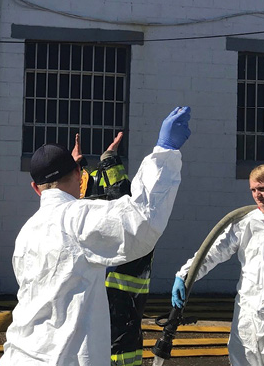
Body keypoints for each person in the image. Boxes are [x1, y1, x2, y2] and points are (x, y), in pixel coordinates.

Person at [0, 106, 191, 366]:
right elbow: (142, 221)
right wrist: (165, 150)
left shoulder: (27, 233)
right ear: (80, 175)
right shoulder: (78, 219)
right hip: (63, 359)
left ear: (35, 187)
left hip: (18, 355)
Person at [171, 163, 264, 366]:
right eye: (253, 189)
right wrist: (185, 275)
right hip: (246, 326)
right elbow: (212, 253)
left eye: (262, 189)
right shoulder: (245, 223)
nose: (257, 195)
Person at [73, 132, 154, 366]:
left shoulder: (133, 230)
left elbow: (120, 201)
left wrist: (109, 160)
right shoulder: (89, 229)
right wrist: (79, 167)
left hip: (119, 324)